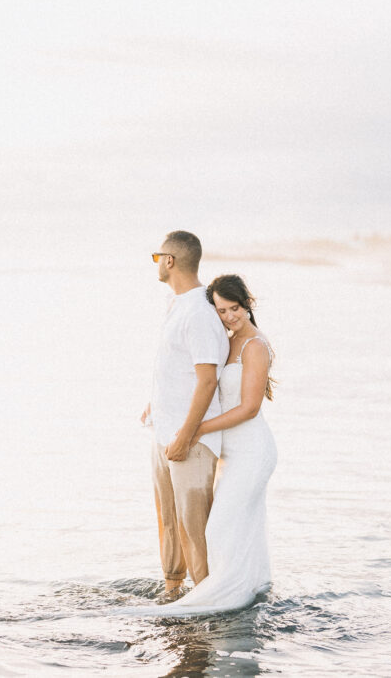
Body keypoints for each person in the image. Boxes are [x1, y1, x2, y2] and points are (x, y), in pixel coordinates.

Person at [154, 273, 278, 615]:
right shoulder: (227, 340)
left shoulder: (254, 345)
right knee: (239, 526)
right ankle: (249, 588)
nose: (228, 317)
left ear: (247, 304)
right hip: (230, 454)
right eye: (221, 311)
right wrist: (161, 405)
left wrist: (196, 429)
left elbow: (250, 408)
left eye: (234, 308)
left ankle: (225, 598)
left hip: (252, 451)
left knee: (220, 526)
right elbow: (195, 379)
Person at [142, 231, 230, 594]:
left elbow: (207, 382)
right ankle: (172, 594)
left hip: (189, 439)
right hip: (163, 431)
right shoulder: (176, 303)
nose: (156, 264)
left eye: (156, 256)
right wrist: (155, 404)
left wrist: (184, 436)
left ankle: (207, 604)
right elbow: (175, 365)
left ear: (170, 261)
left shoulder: (199, 312)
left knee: (195, 528)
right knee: (168, 522)